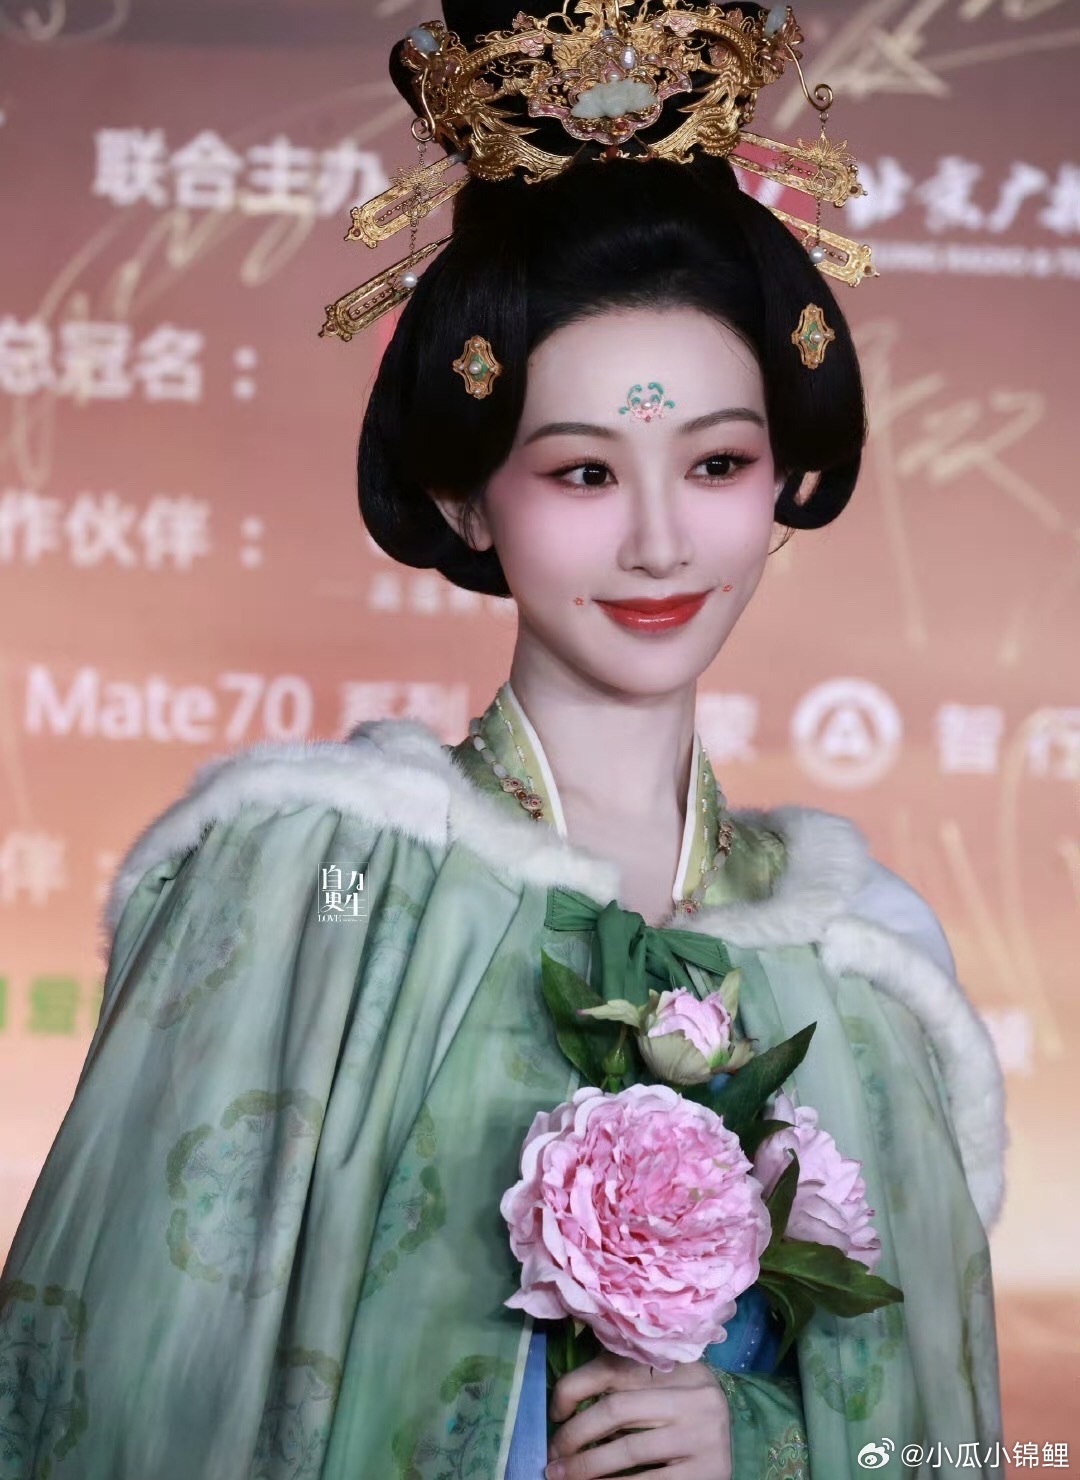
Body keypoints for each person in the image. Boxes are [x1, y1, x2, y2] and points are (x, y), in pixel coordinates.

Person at [0, 2, 1007, 1478]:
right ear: (470, 499)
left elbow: (946, 1446)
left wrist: (765, 1439)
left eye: (717, 462)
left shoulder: (864, 970)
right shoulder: (314, 880)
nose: (661, 540)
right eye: (584, 471)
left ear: (780, 478)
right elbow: (112, 1378)